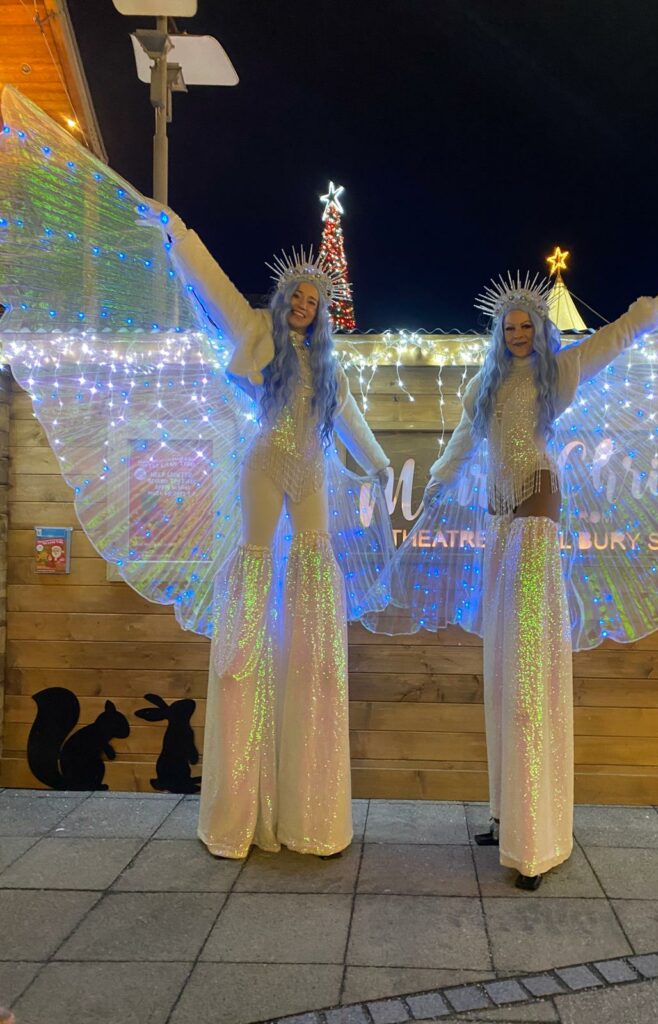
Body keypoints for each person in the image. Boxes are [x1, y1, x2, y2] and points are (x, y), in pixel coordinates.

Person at [421, 271, 658, 889]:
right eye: (510, 328)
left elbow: (615, 338)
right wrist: (437, 482)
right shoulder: (484, 384)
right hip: (499, 519)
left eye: (527, 326)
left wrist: (656, 304)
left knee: (528, 662)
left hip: (536, 502)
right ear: (499, 333)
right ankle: (507, 815)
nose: (519, 335)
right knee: (502, 661)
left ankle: (535, 838)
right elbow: (464, 440)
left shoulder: (559, 371)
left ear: (539, 329)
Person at [159, 217, 391, 859]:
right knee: (256, 563)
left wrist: (378, 464)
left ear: (321, 312)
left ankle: (307, 680)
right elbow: (213, 288)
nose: (304, 306)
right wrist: (180, 235)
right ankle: (246, 656)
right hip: (264, 464)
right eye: (298, 296)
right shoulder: (258, 332)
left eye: (314, 301)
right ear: (285, 297)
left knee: (314, 565)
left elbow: (350, 420)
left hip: (310, 471)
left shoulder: (328, 367)